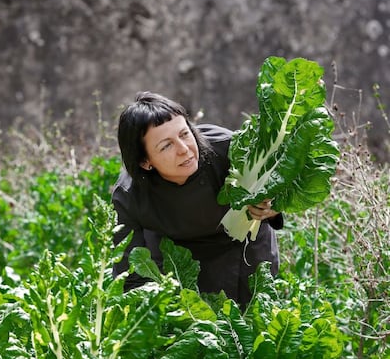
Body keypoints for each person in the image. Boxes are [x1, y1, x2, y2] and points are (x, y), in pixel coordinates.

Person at [111, 91, 283, 307]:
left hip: (242, 247)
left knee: (251, 319)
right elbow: (130, 274)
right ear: (145, 162)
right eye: (166, 146)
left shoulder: (230, 148)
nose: (184, 150)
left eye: (184, 134)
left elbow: (274, 188)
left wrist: (271, 206)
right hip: (174, 255)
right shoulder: (130, 195)